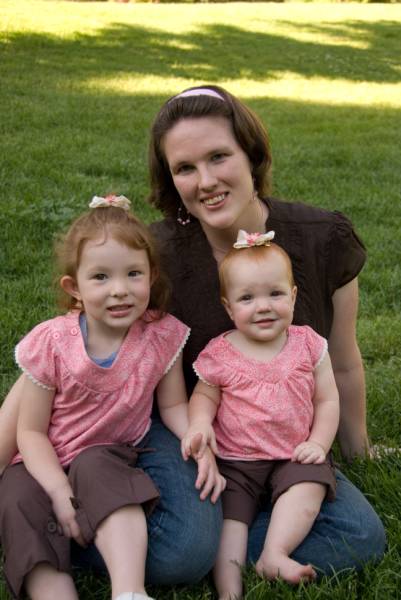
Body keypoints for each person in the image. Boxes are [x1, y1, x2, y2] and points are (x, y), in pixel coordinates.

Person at [147, 84, 386, 574]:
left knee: (360, 535)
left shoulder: (323, 239)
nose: (206, 181)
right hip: (195, 437)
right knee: (184, 550)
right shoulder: (155, 257)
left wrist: (356, 449)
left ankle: (223, 546)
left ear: (251, 154)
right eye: (185, 168)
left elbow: (342, 361)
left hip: (286, 443)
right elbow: (88, 343)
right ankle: (185, 541)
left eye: (219, 157)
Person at [0, 195, 225, 600]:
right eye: (101, 277)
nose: (120, 290)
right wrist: (58, 490)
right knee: (18, 502)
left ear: (151, 276)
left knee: (108, 482)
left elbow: (172, 405)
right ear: (75, 288)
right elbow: (30, 433)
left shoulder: (161, 336)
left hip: (107, 454)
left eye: (133, 274)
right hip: (42, 460)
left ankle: (129, 591)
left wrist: (195, 434)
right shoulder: (51, 343)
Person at [181, 232, 339, 598]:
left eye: (275, 294)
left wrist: (318, 443)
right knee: (231, 521)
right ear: (228, 307)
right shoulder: (220, 353)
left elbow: (328, 400)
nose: (263, 307)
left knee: (310, 484)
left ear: (293, 297)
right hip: (237, 460)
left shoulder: (308, 344)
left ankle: (274, 553)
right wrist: (200, 422)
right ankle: (229, 590)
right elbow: (204, 395)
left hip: (295, 452)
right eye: (247, 298)